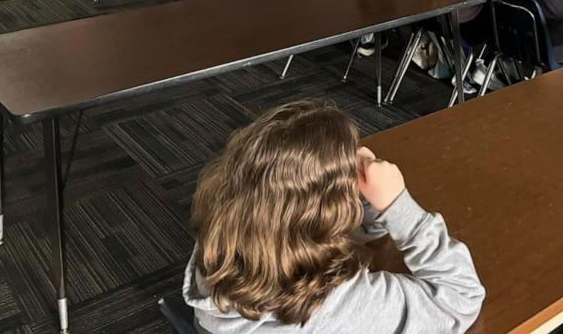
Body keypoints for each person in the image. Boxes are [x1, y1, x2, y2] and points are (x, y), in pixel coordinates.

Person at [184, 101, 485, 334]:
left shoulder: (222, 241)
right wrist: (396, 205)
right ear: (324, 211)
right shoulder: (342, 309)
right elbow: (461, 298)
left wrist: (360, 199)